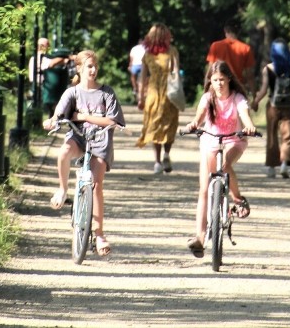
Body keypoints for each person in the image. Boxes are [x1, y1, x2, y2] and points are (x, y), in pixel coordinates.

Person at [42, 50, 125, 256]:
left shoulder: (107, 92)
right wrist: (51, 121)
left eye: (96, 65)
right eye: (89, 66)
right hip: (79, 137)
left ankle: (99, 235)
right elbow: (59, 114)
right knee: (64, 152)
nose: (94, 69)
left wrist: (84, 116)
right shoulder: (72, 92)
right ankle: (62, 189)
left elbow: (112, 121)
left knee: (96, 186)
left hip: (100, 141)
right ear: (79, 68)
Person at [184, 60, 257, 258]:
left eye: (222, 80)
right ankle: (199, 237)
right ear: (210, 81)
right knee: (204, 189)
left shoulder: (238, 98)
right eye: (215, 80)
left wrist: (249, 126)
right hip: (210, 141)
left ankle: (238, 199)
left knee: (225, 165)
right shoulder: (207, 98)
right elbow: (199, 117)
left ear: (229, 79)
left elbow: (245, 114)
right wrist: (193, 124)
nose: (219, 84)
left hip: (234, 141)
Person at [251, 39, 290, 178]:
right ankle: (284, 164)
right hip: (288, 105)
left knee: (272, 136)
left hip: (273, 106)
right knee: (287, 137)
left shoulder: (268, 69)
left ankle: (272, 168)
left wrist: (255, 102)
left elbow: (264, 90)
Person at [135, 24, 180, 174]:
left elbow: (142, 79)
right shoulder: (172, 51)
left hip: (153, 94)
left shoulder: (147, 55)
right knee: (169, 124)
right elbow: (176, 74)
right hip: (169, 93)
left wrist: (140, 98)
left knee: (154, 125)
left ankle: (157, 162)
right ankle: (167, 153)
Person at [206, 20, 256, 96]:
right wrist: (254, 96)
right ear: (238, 31)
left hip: (219, 87)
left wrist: (206, 90)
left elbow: (210, 71)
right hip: (237, 88)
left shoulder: (215, 46)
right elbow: (249, 75)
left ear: (225, 30)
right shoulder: (246, 48)